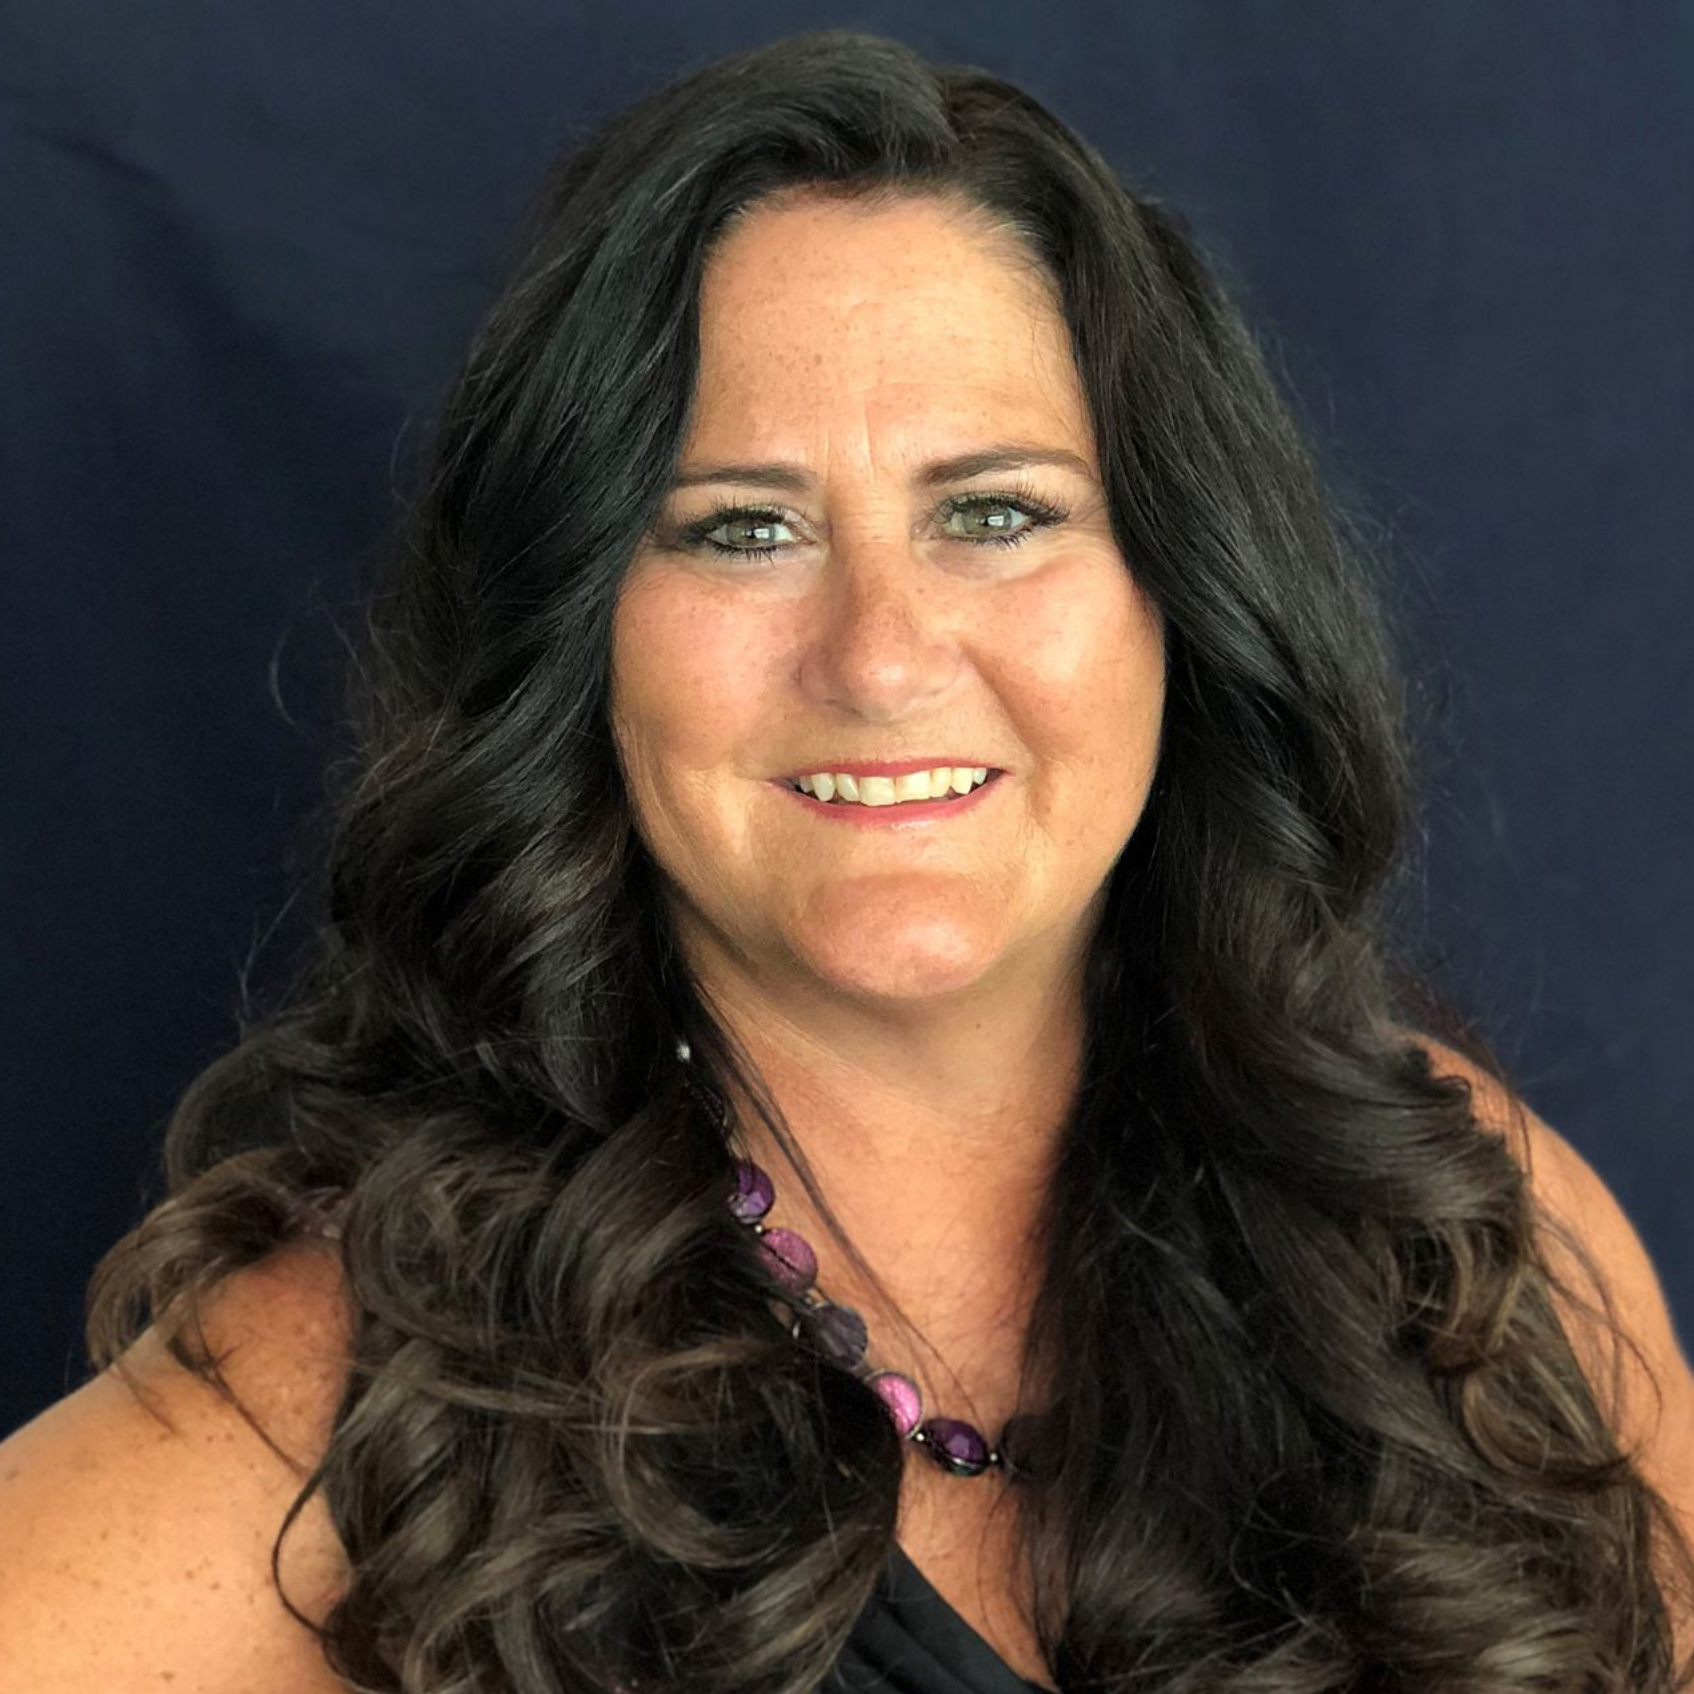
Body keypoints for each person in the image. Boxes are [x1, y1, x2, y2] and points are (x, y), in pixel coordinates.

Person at [2, 27, 1691, 1694]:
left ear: (1183, 589)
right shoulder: (362, 1407)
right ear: (576, 634)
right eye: (743, 527)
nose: (878, 655)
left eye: (995, 511)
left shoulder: (1470, 1248)